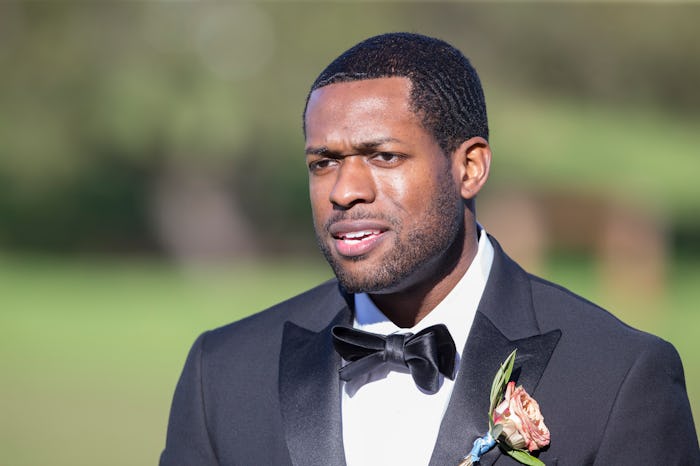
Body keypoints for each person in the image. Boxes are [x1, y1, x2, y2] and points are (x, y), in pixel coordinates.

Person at [160, 33, 699, 466]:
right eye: (323, 163)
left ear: (470, 167)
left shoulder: (618, 376)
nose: (344, 191)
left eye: (384, 157)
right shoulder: (224, 373)